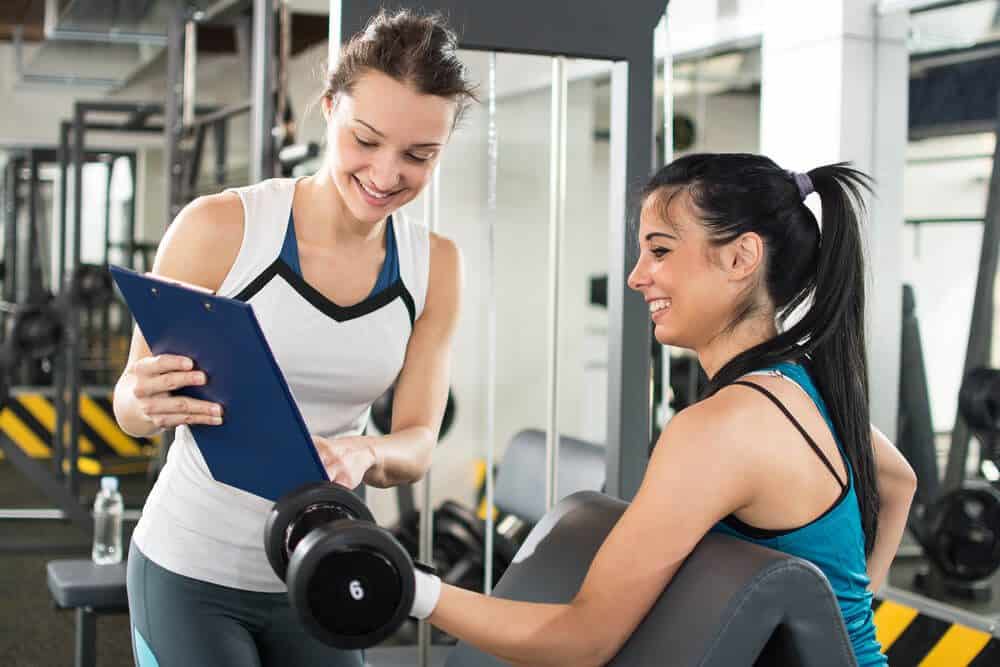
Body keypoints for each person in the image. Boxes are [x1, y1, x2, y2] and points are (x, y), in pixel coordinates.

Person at [408, 154, 917, 666]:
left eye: (660, 250)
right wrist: (840, 624)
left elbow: (583, 638)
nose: (635, 277)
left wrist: (414, 592)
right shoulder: (801, 384)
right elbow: (899, 483)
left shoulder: (723, 428)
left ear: (741, 258)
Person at [112, 10, 475, 666]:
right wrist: (141, 398)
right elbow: (131, 410)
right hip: (191, 569)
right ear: (330, 108)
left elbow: (419, 440)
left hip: (325, 567)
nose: (387, 174)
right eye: (366, 140)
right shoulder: (221, 227)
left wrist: (366, 451)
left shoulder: (435, 266)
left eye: (420, 155)